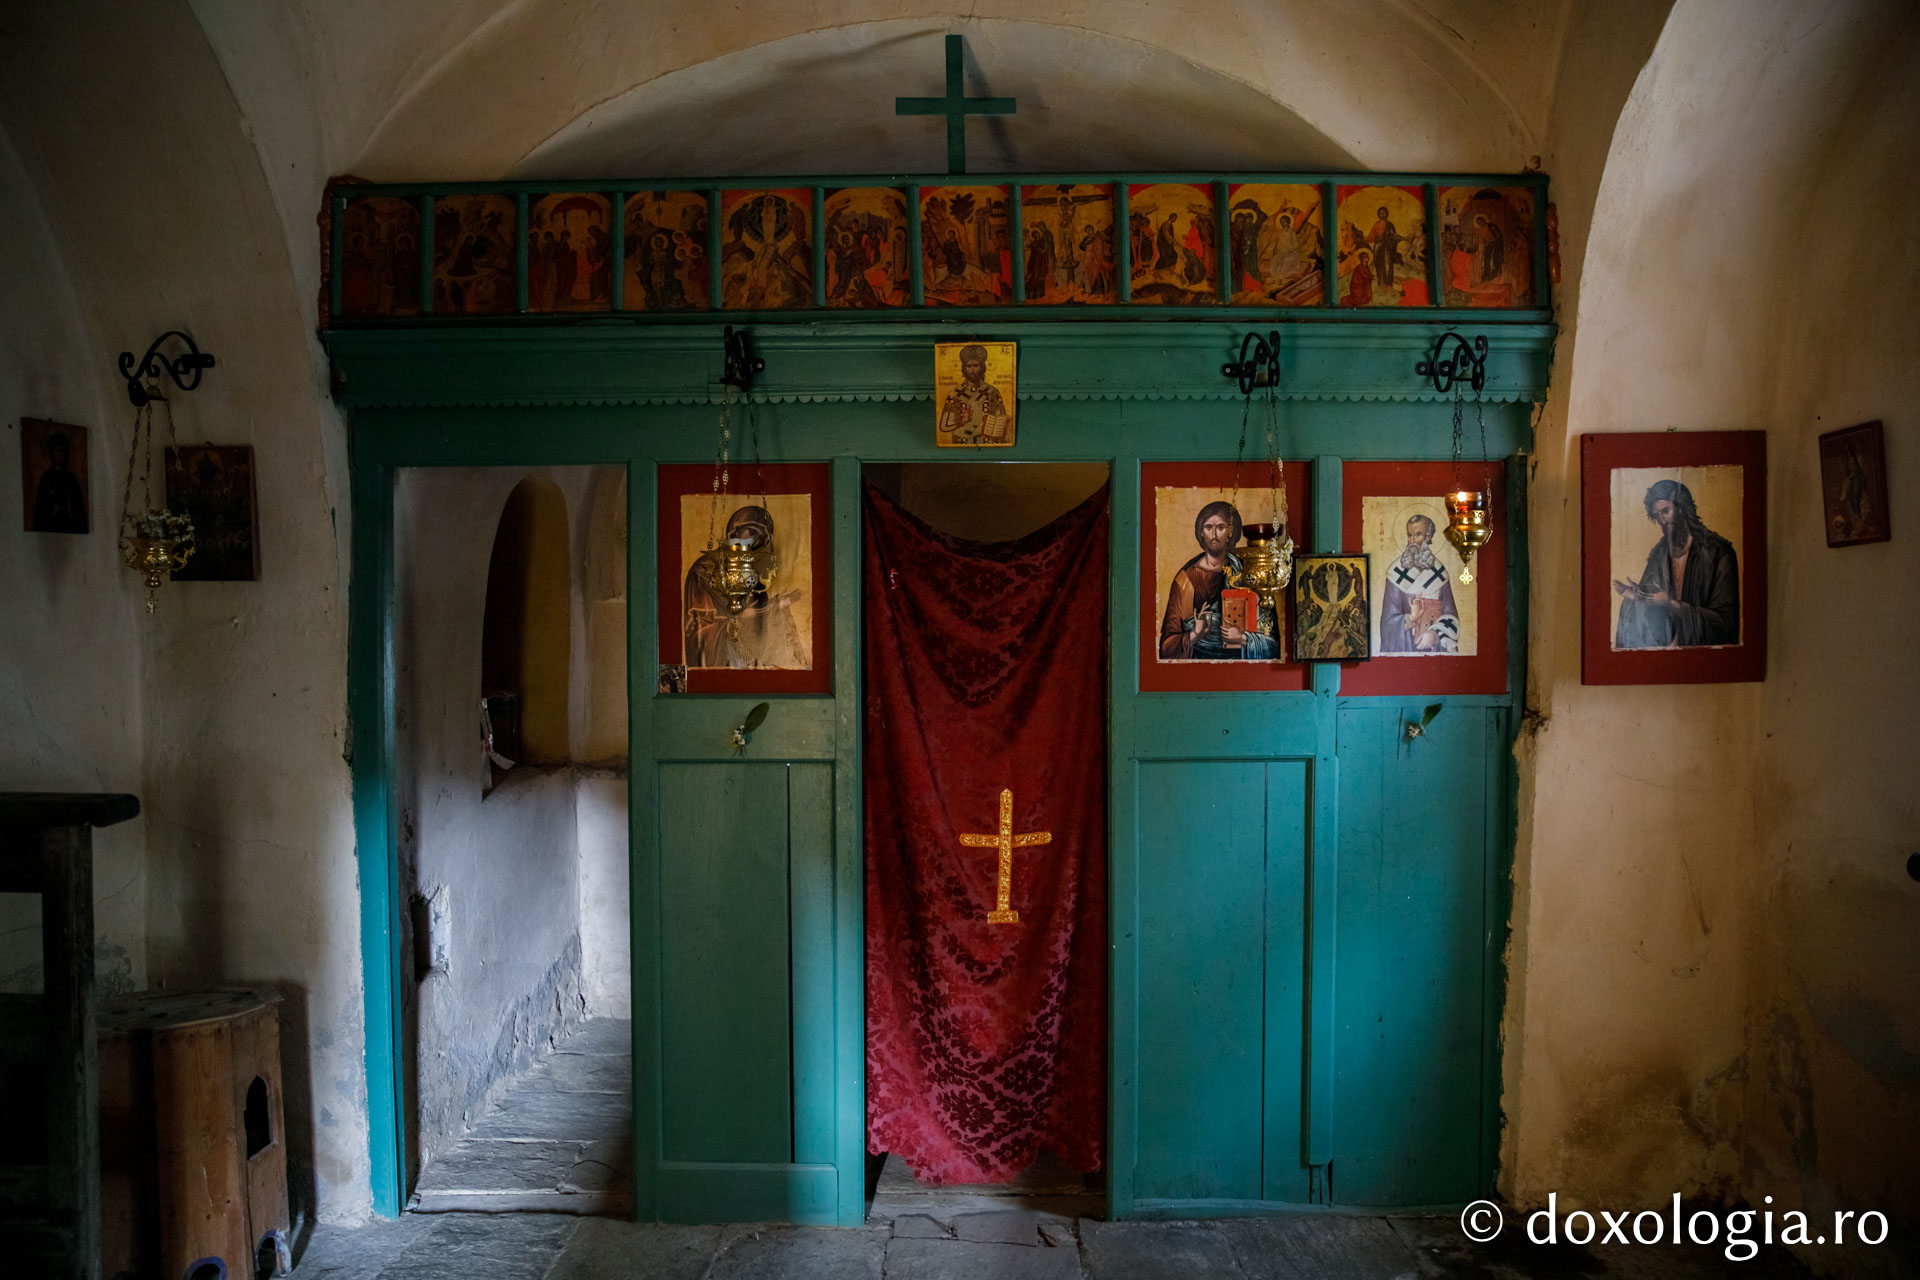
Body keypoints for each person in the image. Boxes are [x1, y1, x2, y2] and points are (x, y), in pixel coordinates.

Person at [1612, 479, 1739, 648]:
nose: (1662, 521)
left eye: (1666, 511)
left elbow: (1725, 623)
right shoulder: (1660, 555)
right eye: (1657, 516)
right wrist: (1637, 598)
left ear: (1682, 508)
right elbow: (1651, 617)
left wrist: (1671, 604)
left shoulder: (1718, 553)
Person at [683, 504, 807, 669]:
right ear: (734, 532)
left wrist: (774, 607)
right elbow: (700, 626)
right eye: (752, 533)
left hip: (746, 659)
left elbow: (756, 620)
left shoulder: (750, 570)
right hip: (721, 656)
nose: (753, 541)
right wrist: (774, 606)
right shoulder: (704, 571)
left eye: (759, 539)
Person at [1158, 500, 1278, 660]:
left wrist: (1243, 638)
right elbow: (1167, 648)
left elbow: (1274, 644)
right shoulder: (1186, 580)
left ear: (1230, 533)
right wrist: (1196, 634)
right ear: (1201, 532)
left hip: (1244, 672)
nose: (1214, 535)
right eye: (1208, 528)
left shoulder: (1250, 573)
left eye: (1220, 527)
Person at [1378, 514, 1459, 652]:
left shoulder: (1440, 574)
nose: (1412, 541)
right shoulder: (1395, 573)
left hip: (1435, 650)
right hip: (1406, 648)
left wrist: (1434, 634)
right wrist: (1410, 618)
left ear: (1428, 537)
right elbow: (1387, 624)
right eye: (1409, 535)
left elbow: (1451, 616)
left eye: (1418, 535)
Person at [938, 344, 1009, 443]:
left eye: (976, 366)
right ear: (964, 369)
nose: (973, 370)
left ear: (982, 368)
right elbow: (943, 426)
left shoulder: (993, 392)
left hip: (986, 443)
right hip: (961, 442)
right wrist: (961, 422)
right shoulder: (955, 394)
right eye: (969, 366)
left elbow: (1002, 422)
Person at [32, 431, 87, 533]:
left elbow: (78, 511)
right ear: (52, 452)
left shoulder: (71, 479)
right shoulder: (46, 478)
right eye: (56, 450)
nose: (58, 454)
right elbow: (41, 511)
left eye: (61, 451)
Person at [1369, 205, 1402, 289]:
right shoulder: (1376, 225)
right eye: (1381, 213)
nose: (1382, 214)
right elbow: (1371, 237)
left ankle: (1389, 284)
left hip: (1387, 247)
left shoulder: (1390, 225)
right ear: (1378, 215)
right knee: (1378, 264)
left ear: (1387, 214)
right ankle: (1381, 284)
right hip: (1378, 246)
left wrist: (1395, 238)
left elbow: (1393, 236)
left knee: (1388, 265)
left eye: (1384, 213)